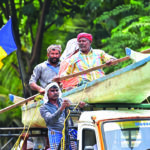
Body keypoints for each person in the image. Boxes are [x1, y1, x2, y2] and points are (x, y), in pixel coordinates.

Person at [40, 82, 85, 150]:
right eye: (52, 91)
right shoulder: (43, 108)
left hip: (69, 131)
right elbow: (50, 120)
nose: (55, 92)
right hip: (55, 133)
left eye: (57, 90)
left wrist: (80, 106)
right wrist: (61, 109)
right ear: (47, 94)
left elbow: (75, 110)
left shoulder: (64, 101)